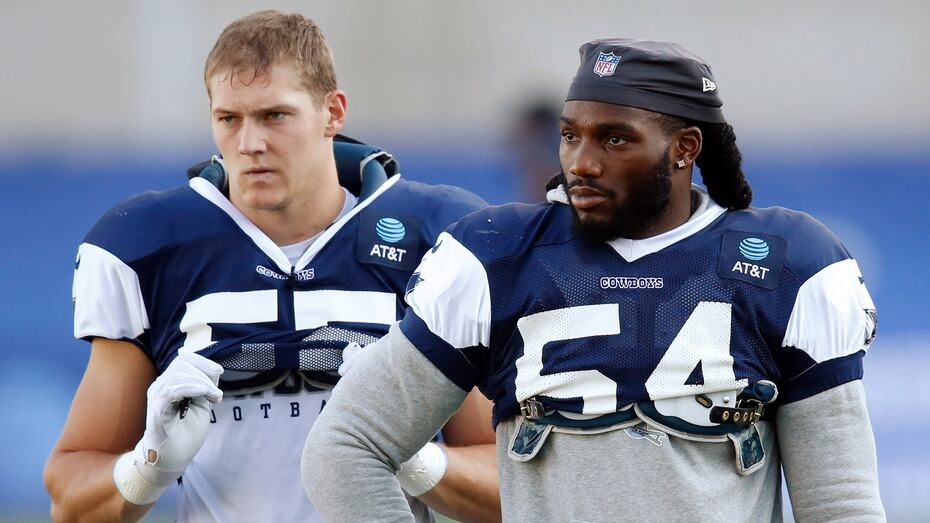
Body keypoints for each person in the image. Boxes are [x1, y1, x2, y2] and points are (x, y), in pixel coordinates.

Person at [302, 38, 886, 521]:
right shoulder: (498, 256)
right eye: (569, 135)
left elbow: (841, 503)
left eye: (614, 138)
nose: (580, 161)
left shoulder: (786, 266)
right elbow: (346, 443)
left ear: (683, 149)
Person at [44, 10, 501, 523]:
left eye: (274, 116)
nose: (250, 144)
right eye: (229, 119)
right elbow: (70, 500)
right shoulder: (148, 247)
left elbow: (510, 489)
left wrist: (413, 457)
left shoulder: (439, 243)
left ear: (333, 112)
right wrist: (148, 465)